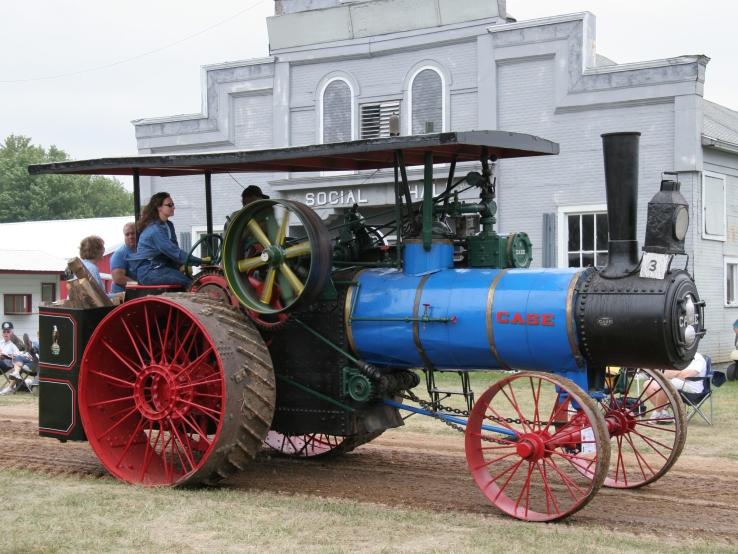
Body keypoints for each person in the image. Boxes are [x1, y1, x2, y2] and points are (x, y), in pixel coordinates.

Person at [129, 192, 206, 287]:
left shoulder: (169, 225)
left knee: (195, 280)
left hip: (162, 268)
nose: (173, 207)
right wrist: (200, 261)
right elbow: (175, 252)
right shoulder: (154, 230)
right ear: (159, 207)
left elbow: (175, 252)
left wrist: (183, 264)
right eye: (170, 205)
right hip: (149, 271)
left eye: (173, 205)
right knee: (191, 284)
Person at [645, 352, 708, 421]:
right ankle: (664, 413)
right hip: (676, 383)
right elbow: (666, 373)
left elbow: (688, 374)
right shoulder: (679, 357)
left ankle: (657, 413)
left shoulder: (698, 358)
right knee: (648, 384)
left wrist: (675, 374)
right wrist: (678, 374)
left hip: (693, 388)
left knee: (666, 384)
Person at [0, 321, 34, 395]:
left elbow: (18, 357)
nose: (6, 333)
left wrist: (6, 356)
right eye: (4, 331)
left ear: (12, 333)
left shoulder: (15, 344)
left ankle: (16, 385)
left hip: (8, 364)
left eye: (8, 331)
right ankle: (23, 384)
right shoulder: (0, 342)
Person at [110, 222, 138, 293]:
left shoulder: (142, 250)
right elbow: (118, 278)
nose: (130, 236)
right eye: (127, 234)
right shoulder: (119, 254)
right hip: (123, 296)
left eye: (133, 233)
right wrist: (138, 285)